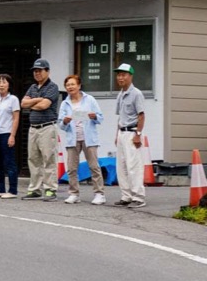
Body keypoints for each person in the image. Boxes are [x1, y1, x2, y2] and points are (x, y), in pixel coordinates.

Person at [58, 75, 105, 205]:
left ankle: (99, 194)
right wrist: (65, 121)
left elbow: (100, 118)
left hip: (89, 138)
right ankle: (74, 194)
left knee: (94, 166)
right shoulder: (65, 103)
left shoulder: (89, 99)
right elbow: (61, 124)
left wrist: (94, 116)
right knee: (72, 168)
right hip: (72, 139)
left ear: (79, 86)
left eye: (72, 84)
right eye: (68, 85)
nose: (70, 87)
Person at [20, 58, 61, 200]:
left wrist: (32, 103)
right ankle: (35, 189)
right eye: (35, 71)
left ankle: (50, 189)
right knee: (33, 159)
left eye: (40, 70)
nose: (37, 73)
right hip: (33, 128)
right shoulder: (32, 87)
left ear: (47, 71)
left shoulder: (52, 87)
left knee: (48, 158)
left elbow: (44, 106)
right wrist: (38, 100)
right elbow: (23, 103)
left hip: (47, 127)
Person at [113, 63, 147, 208]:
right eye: (119, 74)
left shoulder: (136, 93)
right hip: (122, 133)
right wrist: (116, 134)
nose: (120, 77)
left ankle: (138, 197)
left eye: (123, 74)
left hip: (132, 133)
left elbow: (141, 115)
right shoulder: (120, 94)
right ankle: (126, 196)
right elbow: (120, 117)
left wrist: (138, 134)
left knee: (134, 166)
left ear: (130, 76)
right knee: (121, 167)